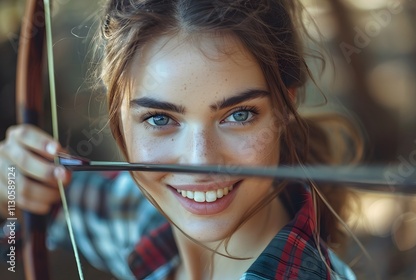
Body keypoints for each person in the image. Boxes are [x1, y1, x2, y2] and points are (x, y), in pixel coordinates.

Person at [0, 0, 360, 279]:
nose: (200, 162)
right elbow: (33, 210)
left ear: (286, 107)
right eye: (160, 119)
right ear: (119, 121)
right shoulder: (141, 218)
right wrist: (13, 183)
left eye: (239, 115)